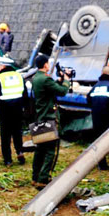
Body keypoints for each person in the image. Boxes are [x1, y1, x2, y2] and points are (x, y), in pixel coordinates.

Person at [31, 54, 71, 188]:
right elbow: (62, 91)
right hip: (49, 118)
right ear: (46, 65)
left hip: (40, 117)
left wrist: (58, 80)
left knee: (40, 149)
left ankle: (35, 176)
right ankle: (43, 178)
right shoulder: (46, 79)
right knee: (50, 151)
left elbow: (50, 90)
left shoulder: (36, 78)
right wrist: (66, 80)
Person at [0, 57, 28, 166]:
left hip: (5, 110)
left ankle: (8, 159)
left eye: (0, 65)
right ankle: (20, 152)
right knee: (17, 133)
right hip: (18, 109)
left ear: (3, 66)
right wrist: (25, 108)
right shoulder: (20, 76)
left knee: (5, 136)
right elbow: (25, 94)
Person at [87, 66, 109, 171]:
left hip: (96, 119)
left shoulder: (96, 86)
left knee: (99, 141)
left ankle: (102, 165)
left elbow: (88, 99)